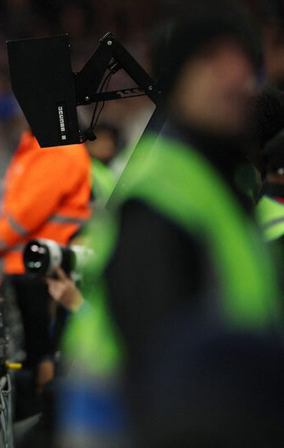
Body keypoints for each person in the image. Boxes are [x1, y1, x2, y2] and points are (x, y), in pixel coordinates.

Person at [49, 3, 284, 446]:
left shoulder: (217, 182)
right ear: (177, 77)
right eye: (210, 59)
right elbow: (161, 361)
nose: (233, 75)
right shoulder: (164, 194)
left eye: (243, 59)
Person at [0, 130, 92, 416]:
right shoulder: (36, 147)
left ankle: (46, 417)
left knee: (44, 356)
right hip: (34, 266)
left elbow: (26, 211)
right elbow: (14, 205)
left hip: (46, 270)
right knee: (39, 355)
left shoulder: (58, 148)